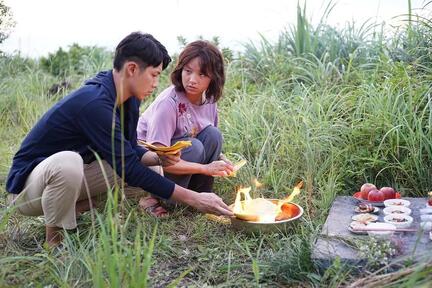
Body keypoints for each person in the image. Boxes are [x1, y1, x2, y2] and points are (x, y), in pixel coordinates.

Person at [6, 32, 233, 247]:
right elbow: (129, 167)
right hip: (28, 190)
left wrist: (159, 158)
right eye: (154, 75)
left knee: (153, 170)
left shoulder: (128, 98)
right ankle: (54, 240)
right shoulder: (94, 103)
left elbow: (130, 149)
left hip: (72, 177)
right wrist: (195, 198)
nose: (156, 84)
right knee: (68, 162)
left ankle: (77, 206)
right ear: (132, 69)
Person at [136, 40, 234, 215]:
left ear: (214, 78)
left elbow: (206, 137)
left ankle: (202, 194)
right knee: (193, 146)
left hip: (183, 155)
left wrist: (221, 160)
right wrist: (205, 168)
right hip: (150, 166)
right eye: (188, 71)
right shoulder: (168, 103)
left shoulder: (209, 100)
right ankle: (161, 198)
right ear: (180, 69)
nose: (192, 80)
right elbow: (159, 159)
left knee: (213, 134)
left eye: (202, 74)